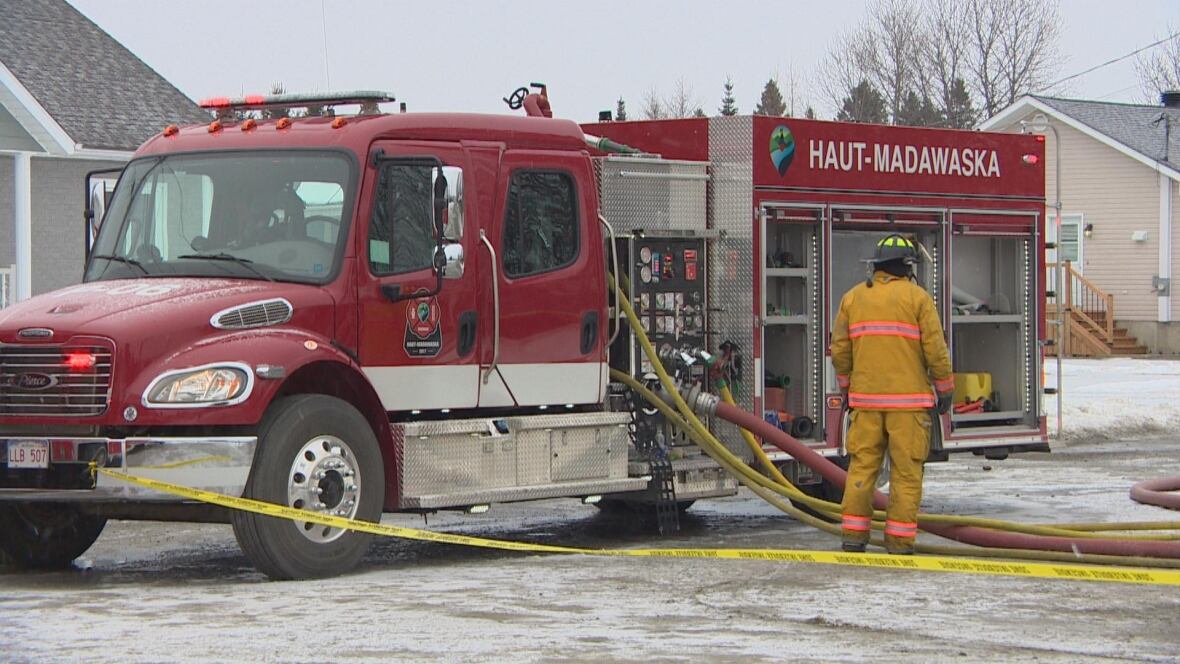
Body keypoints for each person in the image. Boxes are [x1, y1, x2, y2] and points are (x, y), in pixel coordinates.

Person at [829, 234, 954, 555]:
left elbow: (840, 350)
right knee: (906, 474)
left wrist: (847, 388)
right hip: (909, 407)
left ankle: (853, 537)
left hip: (866, 404)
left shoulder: (853, 298)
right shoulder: (918, 299)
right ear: (907, 267)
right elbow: (936, 351)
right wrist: (945, 390)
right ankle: (899, 542)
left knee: (861, 469)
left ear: (877, 266)